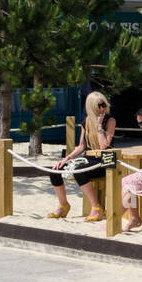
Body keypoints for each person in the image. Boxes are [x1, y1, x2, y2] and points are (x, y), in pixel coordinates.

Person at [47, 92, 116, 221]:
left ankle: (96, 207)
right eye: (99, 106)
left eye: (104, 105)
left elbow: (103, 146)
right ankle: (63, 205)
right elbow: (81, 146)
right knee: (55, 170)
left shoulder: (110, 120)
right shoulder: (86, 122)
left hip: (104, 160)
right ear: (91, 107)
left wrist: (99, 126)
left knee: (80, 172)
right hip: (88, 158)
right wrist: (65, 159)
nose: (102, 108)